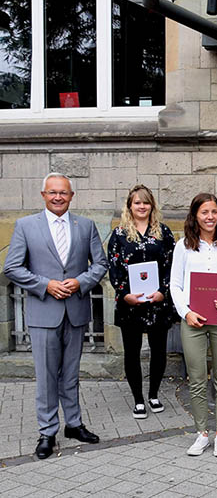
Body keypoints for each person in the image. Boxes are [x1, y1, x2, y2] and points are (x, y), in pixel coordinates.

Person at [3, 173, 108, 459]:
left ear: (71, 196)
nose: (58, 197)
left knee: (71, 374)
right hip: (43, 312)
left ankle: (73, 424)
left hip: (75, 311)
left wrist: (81, 282)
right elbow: (12, 268)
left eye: (63, 192)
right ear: (43, 195)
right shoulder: (26, 226)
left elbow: (100, 264)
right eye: (52, 193)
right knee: (47, 376)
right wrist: (45, 285)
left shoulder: (85, 226)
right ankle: (47, 431)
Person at [170, 193, 217, 457]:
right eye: (205, 212)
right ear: (195, 216)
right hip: (193, 320)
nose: (210, 217)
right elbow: (175, 285)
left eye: (214, 212)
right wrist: (186, 312)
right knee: (198, 378)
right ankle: (201, 433)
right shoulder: (184, 246)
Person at [107, 185, 177, 419]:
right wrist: (124, 293)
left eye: (146, 202)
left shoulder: (163, 233)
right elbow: (114, 267)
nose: (142, 206)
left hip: (158, 302)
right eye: (137, 202)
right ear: (129, 206)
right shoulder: (119, 234)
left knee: (158, 351)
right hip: (131, 304)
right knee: (132, 352)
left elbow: (172, 266)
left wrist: (163, 291)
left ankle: (154, 394)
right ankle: (138, 399)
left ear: (152, 206)